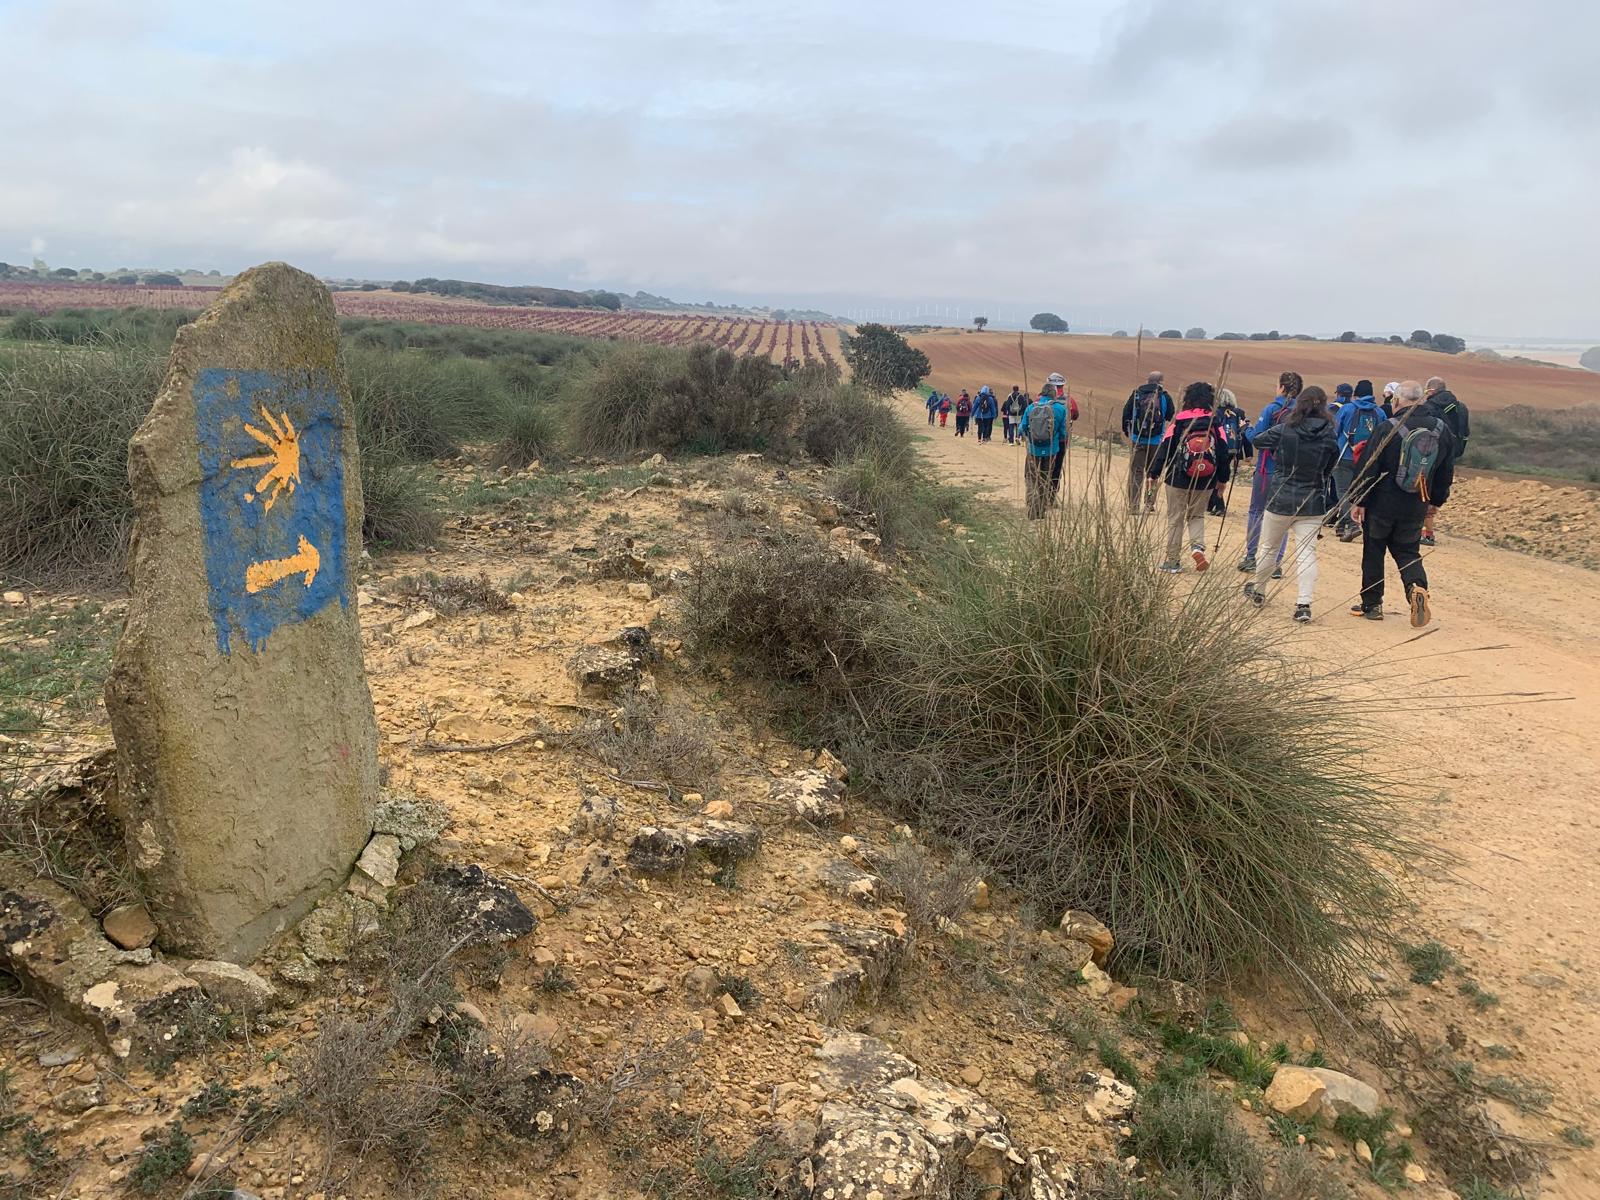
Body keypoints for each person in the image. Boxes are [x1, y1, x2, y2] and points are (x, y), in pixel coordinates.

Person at [1347, 379, 1455, 626]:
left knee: (1374, 550)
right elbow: (1446, 470)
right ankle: (1417, 588)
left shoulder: (1389, 427)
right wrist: (1436, 501)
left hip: (1382, 503)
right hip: (1417, 501)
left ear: (1397, 400)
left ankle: (1372, 605)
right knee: (1408, 551)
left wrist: (1359, 500)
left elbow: (1368, 465)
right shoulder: (1441, 429)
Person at [1242, 386, 1339, 623]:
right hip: (1312, 501)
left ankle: (1259, 591)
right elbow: (1329, 467)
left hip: (1281, 498)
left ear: (1300, 404)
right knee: (1307, 553)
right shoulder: (1329, 434)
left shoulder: (1286, 429)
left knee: (1268, 548)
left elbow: (1258, 440)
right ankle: (1303, 604)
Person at [1147, 381, 1232, 573]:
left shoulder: (1179, 421)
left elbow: (1165, 448)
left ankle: (1172, 561)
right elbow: (1223, 453)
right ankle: (1197, 547)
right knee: (1196, 516)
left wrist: (1154, 473)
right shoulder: (1215, 422)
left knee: (1175, 518)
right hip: (1206, 480)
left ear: (1188, 398)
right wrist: (1222, 481)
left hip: (1177, 478)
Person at [1238, 371, 1302, 575]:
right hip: (1291, 471)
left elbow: (1257, 437)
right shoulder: (1303, 414)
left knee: (1257, 511)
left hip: (1267, 468)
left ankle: (1251, 558)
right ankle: (1275, 562)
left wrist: (1245, 429)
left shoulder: (1271, 409)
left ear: (1282, 388)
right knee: (1281, 516)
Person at [1418, 376, 1469, 546]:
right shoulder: (1461, 408)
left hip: (1430, 455)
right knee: (1438, 491)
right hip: (1451, 454)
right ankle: (1429, 533)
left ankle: (1419, 532)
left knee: (1422, 491)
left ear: (1431, 390)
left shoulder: (1428, 407)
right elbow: (1465, 432)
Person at [1331, 379, 1382, 540]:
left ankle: (1351, 524)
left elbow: (1335, 431)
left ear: (1355, 394)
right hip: (1367, 460)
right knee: (1359, 493)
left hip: (1344, 456)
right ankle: (1342, 525)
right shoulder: (1379, 413)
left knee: (1343, 492)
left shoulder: (1347, 409)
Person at [1121, 371, 1174, 514]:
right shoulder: (1164, 397)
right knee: (1152, 475)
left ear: (1147, 380)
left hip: (1138, 440)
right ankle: (1149, 503)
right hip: (1156, 441)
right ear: (1161, 382)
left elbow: (1126, 414)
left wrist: (1129, 433)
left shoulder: (1136, 394)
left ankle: (1133, 506)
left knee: (1136, 473)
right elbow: (1170, 414)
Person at [1019, 378, 1070, 519]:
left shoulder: (1031, 408)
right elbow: (1063, 433)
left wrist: (1029, 438)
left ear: (1041, 393)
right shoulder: (1060, 409)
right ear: (1054, 394)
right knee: (1045, 478)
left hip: (1033, 450)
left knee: (1031, 478)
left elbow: (1021, 428)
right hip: (1051, 450)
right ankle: (1041, 510)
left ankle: (1032, 509)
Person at [1210, 387, 1252, 515]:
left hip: (1217, 449)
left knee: (1213, 475)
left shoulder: (1214, 413)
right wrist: (1248, 453)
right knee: (1222, 475)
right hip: (1232, 450)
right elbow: (1244, 432)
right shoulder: (1239, 413)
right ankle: (1214, 503)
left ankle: (1219, 504)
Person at [1042, 371, 1080, 499]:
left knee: (1043, 466)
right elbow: (1075, 415)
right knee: (1057, 468)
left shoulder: (1039, 399)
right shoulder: (1069, 400)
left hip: (1043, 439)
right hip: (1062, 440)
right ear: (1062, 385)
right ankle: (1052, 496)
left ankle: (1041, 494)